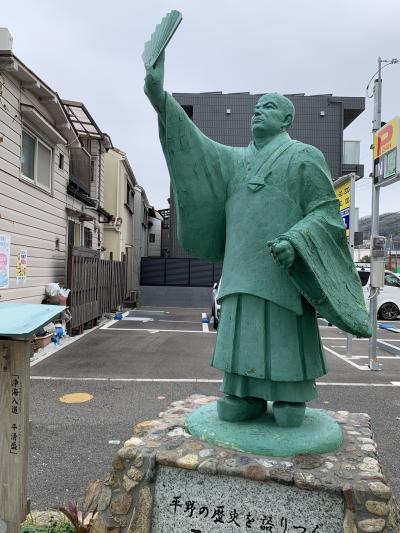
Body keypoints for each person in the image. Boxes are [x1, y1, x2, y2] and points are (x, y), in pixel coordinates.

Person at [144, 52, 371, 427]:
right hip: (240, 270)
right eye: (255, 108)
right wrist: (161, 99)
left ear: (287, 119)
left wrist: (296, 240)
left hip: (284, 272)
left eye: (268, 107)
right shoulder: (234, 161)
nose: (257, 112)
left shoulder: (304, 157)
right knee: (241, 330)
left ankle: (290, 395)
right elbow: (194, 147)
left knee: (283, 334)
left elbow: (325, 214)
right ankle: (243, 393)